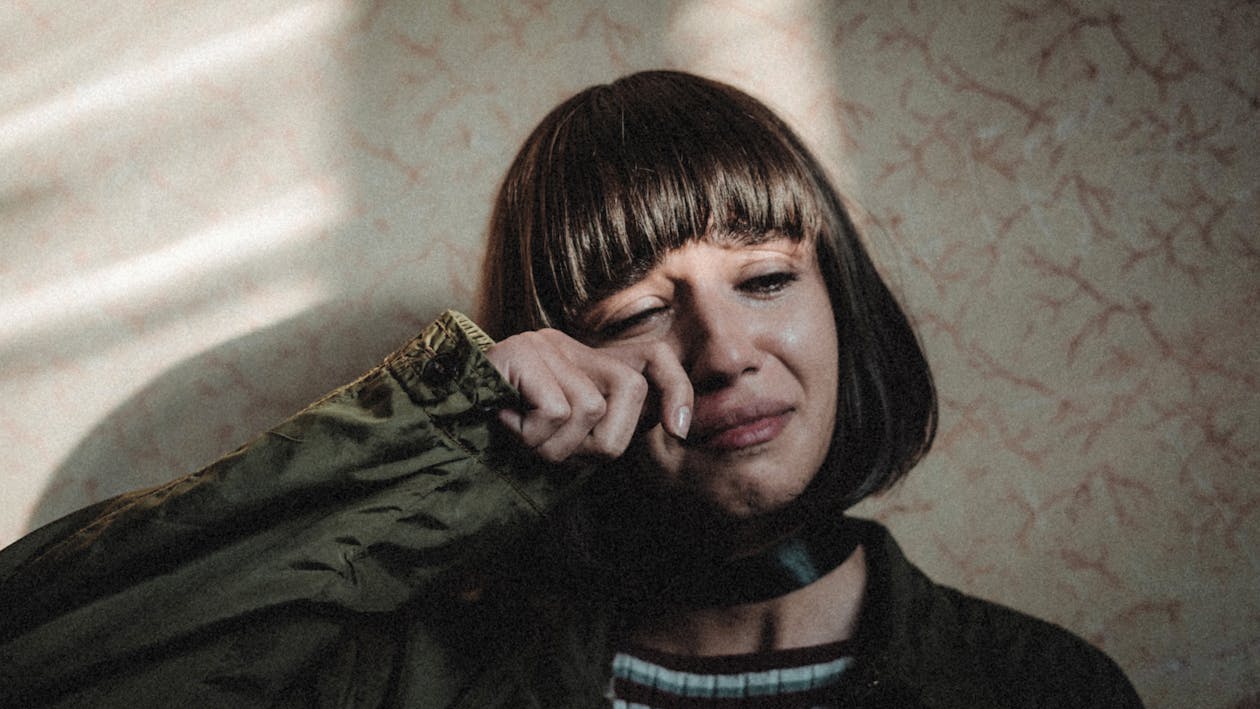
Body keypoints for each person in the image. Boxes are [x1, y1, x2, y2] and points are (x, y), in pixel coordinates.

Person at [0, 71, 1141, 707]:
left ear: (843, 305)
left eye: (764, 277)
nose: (724, 348)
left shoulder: (1040, 685)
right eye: (639, 309)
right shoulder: (418, 677)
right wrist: (450, 440)